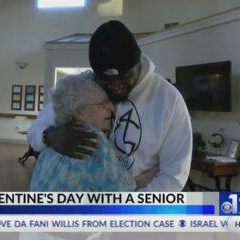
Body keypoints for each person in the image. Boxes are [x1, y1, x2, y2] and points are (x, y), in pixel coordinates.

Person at [28, 20, 192, 191]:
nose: (115, 85)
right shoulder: (84, 89)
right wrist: (49, 136)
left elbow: (173, 177)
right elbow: (35, 130)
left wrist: (128, 209)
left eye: (124, 76)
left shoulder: (169, 100)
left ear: (138, 64)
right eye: (106, 79)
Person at [30, 71, 136, 192]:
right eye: (103, 103)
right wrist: (148, 175)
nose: (111, 108)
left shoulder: (48, 148)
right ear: (78, 109)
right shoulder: (92, 139)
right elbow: (121, 191)